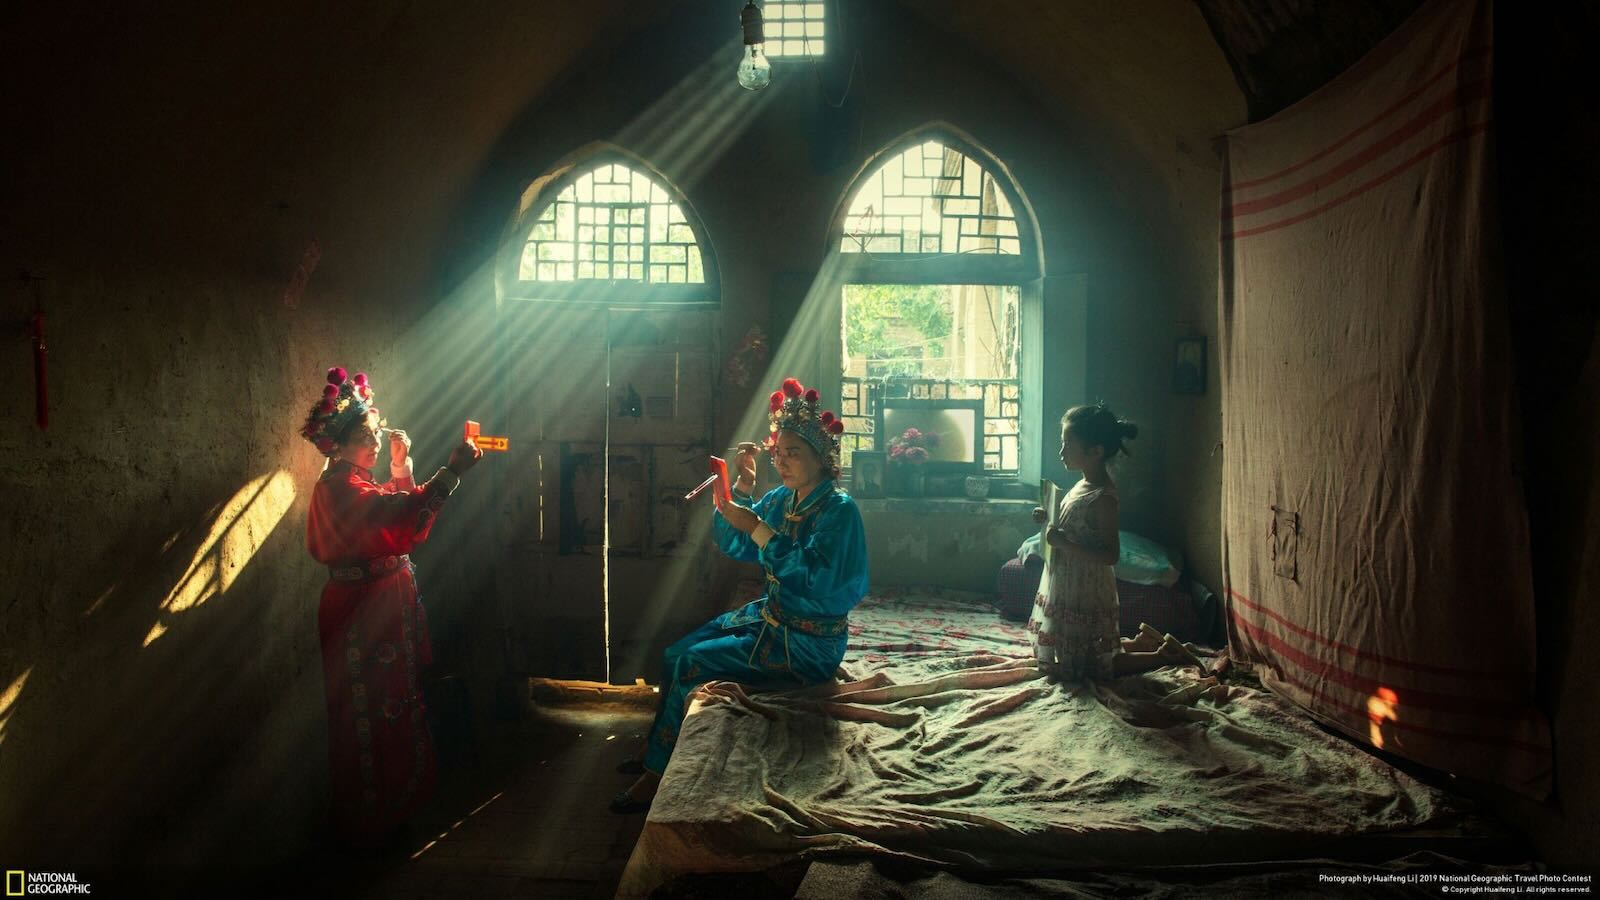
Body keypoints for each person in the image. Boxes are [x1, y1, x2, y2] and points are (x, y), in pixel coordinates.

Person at [611, 377, 869, 813]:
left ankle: (657, 776)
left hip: (808, 640)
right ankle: (659, 749)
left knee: (695, 663)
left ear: (822, 458)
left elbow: (818, 581)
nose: (783, 462)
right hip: (774, 616)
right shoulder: (783, 499)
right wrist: (744, 491)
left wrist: (757, 527)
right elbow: (734, 544)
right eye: (779, 453)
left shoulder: (839, 511)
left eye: (795, 453)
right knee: (676, 654)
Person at [300, 366, 482, 849]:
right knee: (369, 713)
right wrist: (453, 471)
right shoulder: (340, 489)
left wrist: (402, 465)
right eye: (366, 437)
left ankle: (394, 806)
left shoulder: (356, 481)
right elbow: (402, 521)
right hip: (361, 614)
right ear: (337, 444)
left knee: (393, 706)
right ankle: (370, 817)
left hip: (377, 608)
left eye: (377, 434)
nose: (376, 443)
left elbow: (398, 518)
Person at [1028, 403, 1199, 681]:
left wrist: (1064, 544)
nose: (1061, 452)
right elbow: (1076, 527)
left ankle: (1162, 655)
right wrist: (1048, 517)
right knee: (1074, 647)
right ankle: (1141, 642)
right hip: (1067, 581)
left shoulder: (1104, 497)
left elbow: (1110, 555)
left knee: (1094, 666)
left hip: (1086, 585)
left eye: (1067, 445)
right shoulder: (1081, 484)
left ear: (1095, 452)